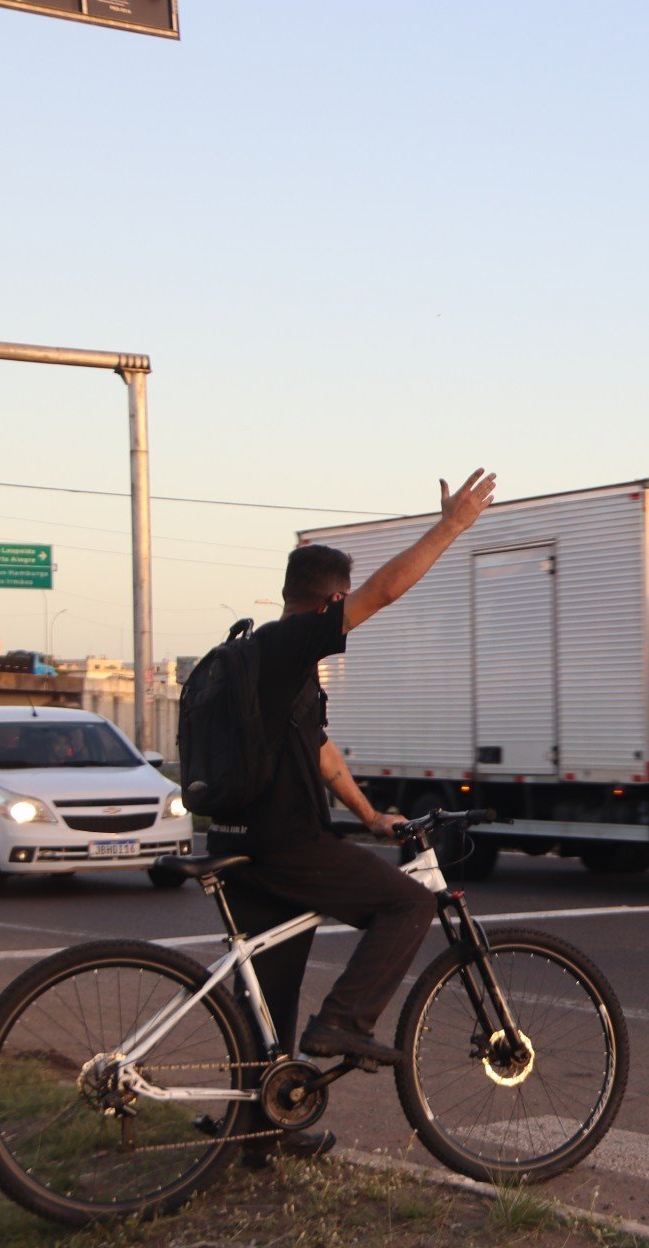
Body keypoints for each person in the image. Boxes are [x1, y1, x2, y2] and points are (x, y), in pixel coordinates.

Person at [206, 469, 497, 1165]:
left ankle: (256, 1136)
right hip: (283, 843)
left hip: (238, 841)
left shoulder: (256, 660)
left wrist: (368, 814)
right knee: (405, 905)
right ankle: (342, 1022)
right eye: (344, 602)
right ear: (330, 599)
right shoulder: (290, 646)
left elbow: (322, 752)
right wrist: (452, 526)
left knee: (267, 998)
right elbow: (387, 591)